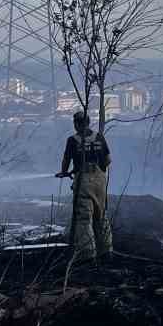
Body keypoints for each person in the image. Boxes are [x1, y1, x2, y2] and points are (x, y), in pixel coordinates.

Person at [57, 110, 112, 262]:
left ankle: (87, 253)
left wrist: (64, 172)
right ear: (88, 122)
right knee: (100, 215)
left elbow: (66, 159)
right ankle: (106, 250)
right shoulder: (99, 137)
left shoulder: (73, 140)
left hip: (84, 180)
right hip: (100, 180)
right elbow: (107, 160)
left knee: (83, 217)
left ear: (76, 124)